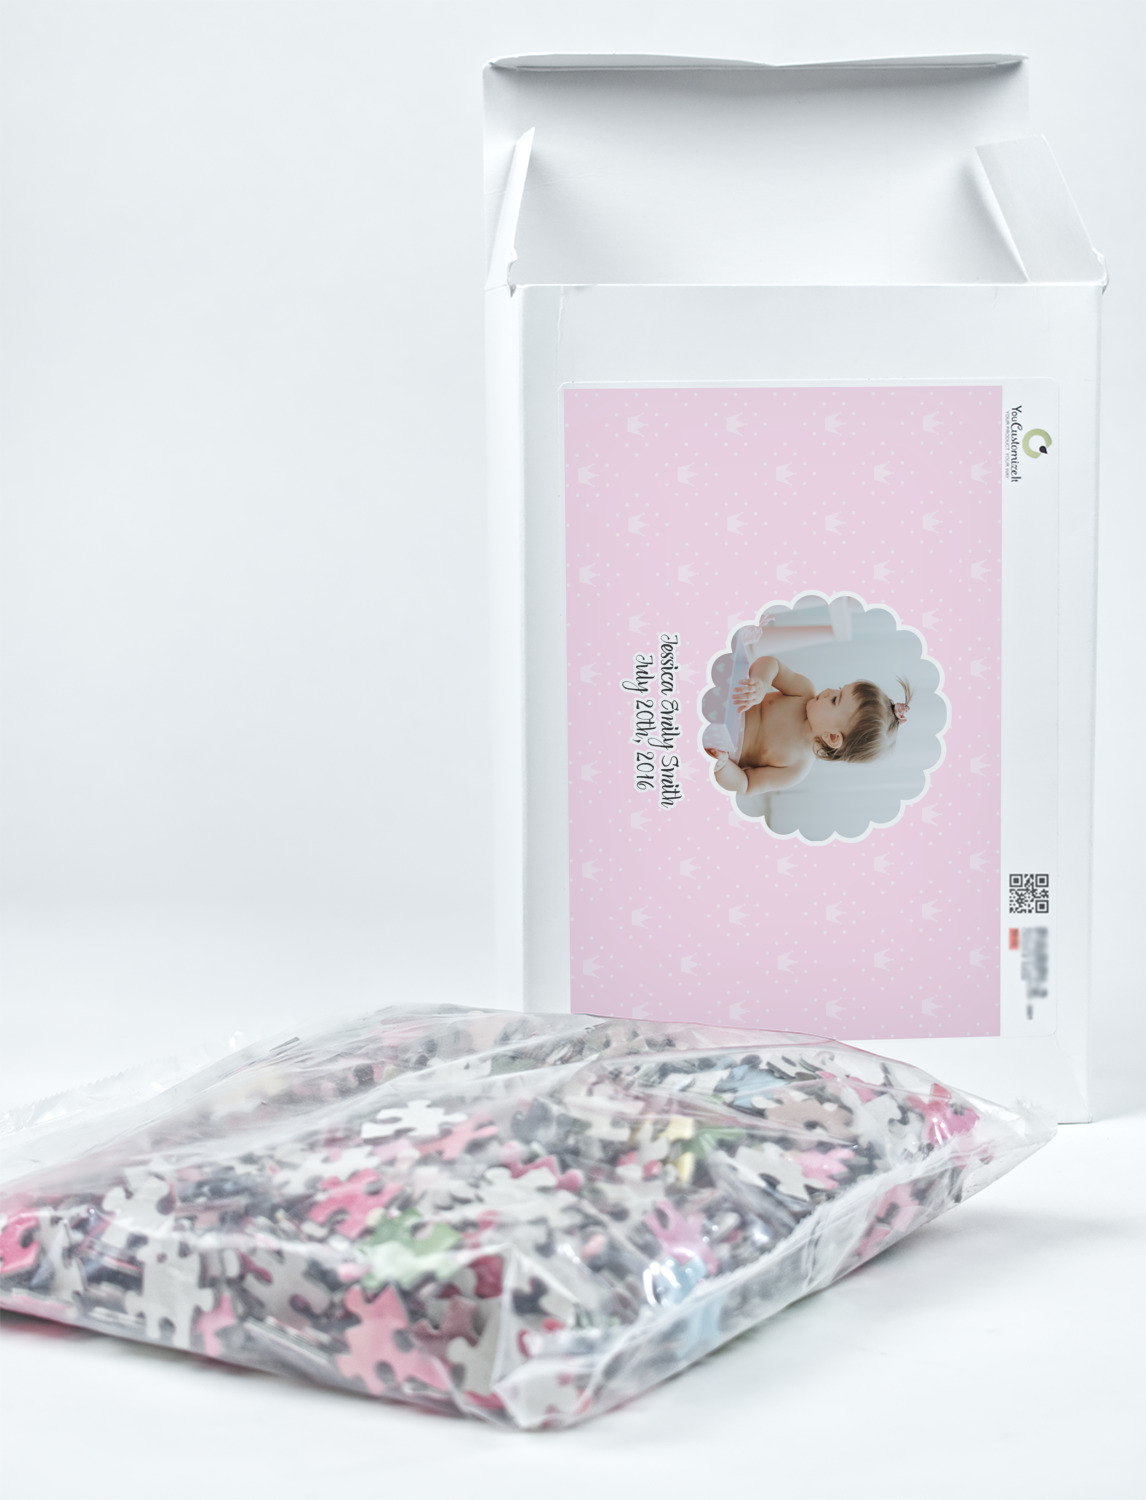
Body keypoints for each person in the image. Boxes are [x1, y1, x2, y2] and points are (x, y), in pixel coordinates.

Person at [706, 655, 912, 794]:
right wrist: (761, 682)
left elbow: (747, 784)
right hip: (723, 698)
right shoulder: (803, 691)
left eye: (835, 700)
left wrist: (722, 766)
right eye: (839, 688)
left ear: (833, 737)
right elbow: (772, 664)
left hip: (717, 742)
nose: (828, 691)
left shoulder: (796, 767)